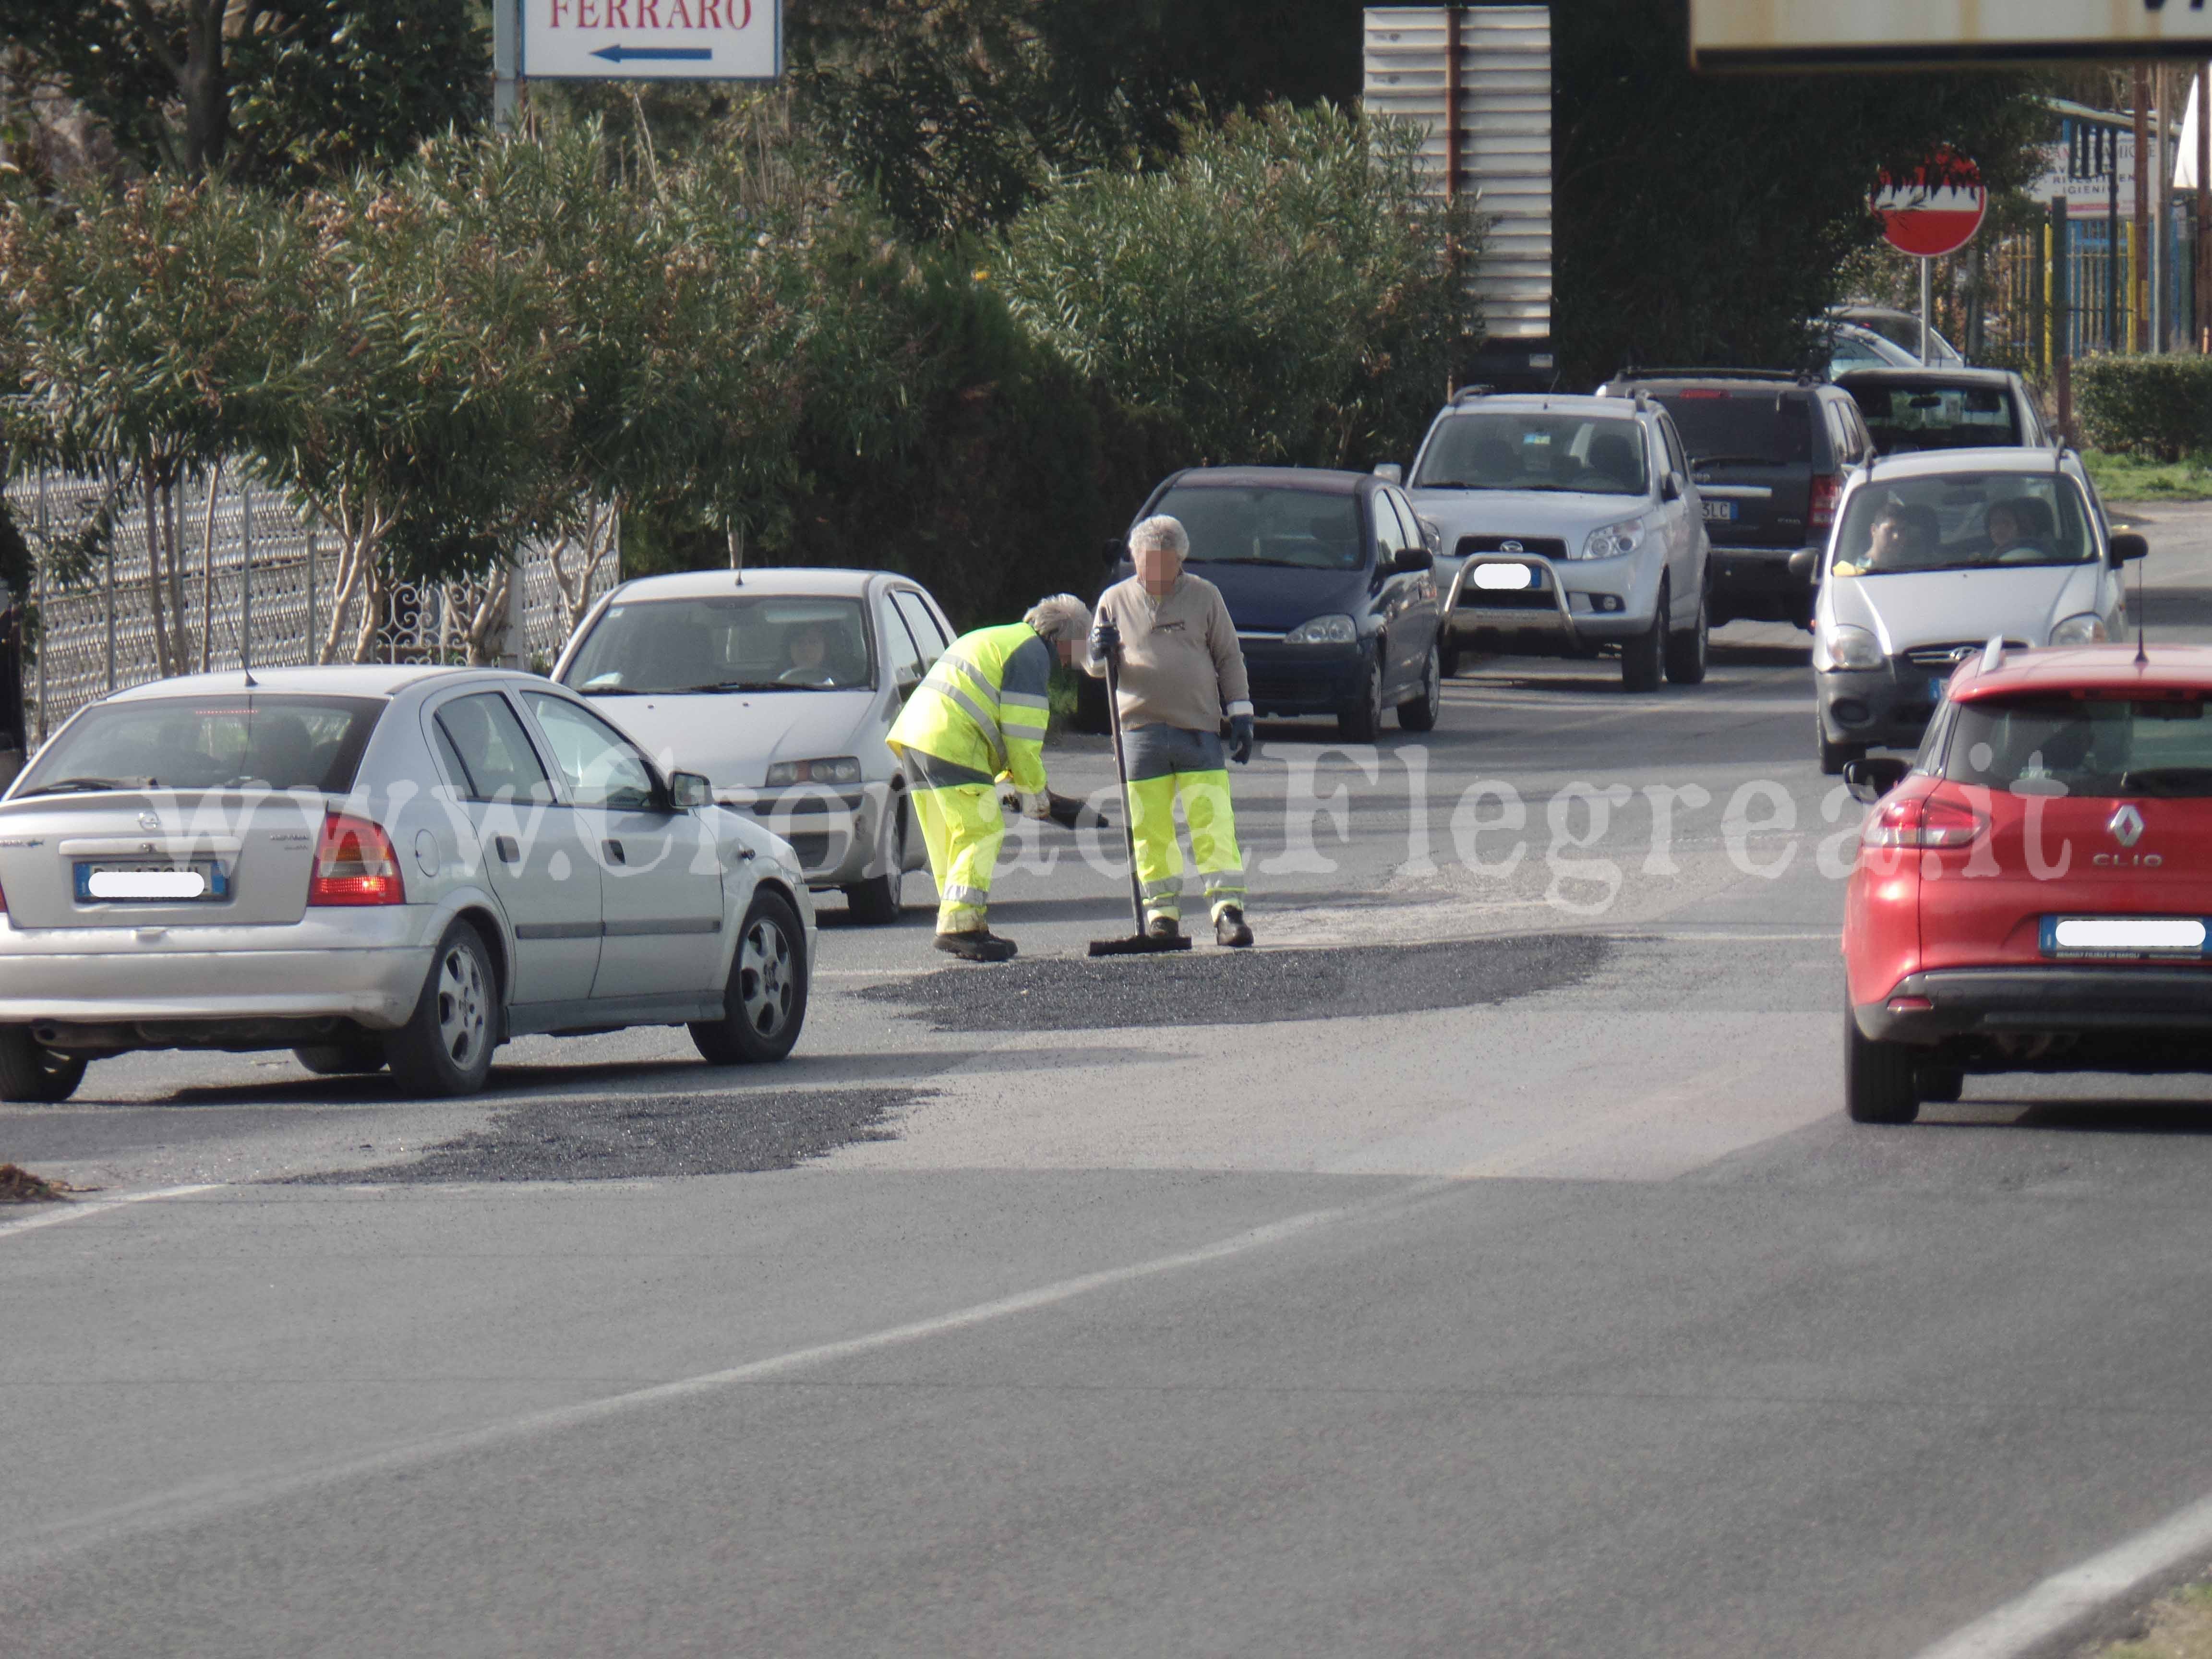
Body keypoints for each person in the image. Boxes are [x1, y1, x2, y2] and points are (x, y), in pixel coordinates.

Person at [885, 593, 1091, 962]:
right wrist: (1035, 794)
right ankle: (959, 928)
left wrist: (1016, 787)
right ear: (1066, 639)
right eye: (1076, 649)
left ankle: (966, 922)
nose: (1072, 662)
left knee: (952, 838)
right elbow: (1022, 736)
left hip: (917, 738)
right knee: (983, 831)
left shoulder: (1003, 639)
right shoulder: (1030, 655)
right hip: (952, 741)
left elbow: (997, 726)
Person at [1087, 514, 1255, 949]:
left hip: (1197, 727)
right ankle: (1161, 916)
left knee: (1213, 822)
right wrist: (1096, 651)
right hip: (1139, 733)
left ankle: (1227, 912)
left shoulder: (1205, 597)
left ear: (1180, 561)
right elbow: (1092, 666)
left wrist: (1240, 713)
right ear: (1134, 559)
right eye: (1144, 562)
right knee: (1150, 830)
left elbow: (1229, 657)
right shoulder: (1113, 600)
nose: (1152, 572)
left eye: (1163, 563)